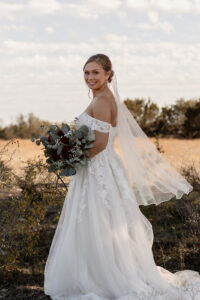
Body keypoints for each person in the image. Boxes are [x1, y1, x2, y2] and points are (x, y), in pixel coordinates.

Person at [44, 54, 200, 300]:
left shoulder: (104, 100)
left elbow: (102, 143)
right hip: (95, 167)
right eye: (86, 72)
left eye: (95, 72)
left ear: (108, 74)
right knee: (95, 220)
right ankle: (94, 273)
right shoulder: (100, 97)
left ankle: (105, 277)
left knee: (99, 220)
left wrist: (71, 160)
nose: (90, 77)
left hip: (98, 168)